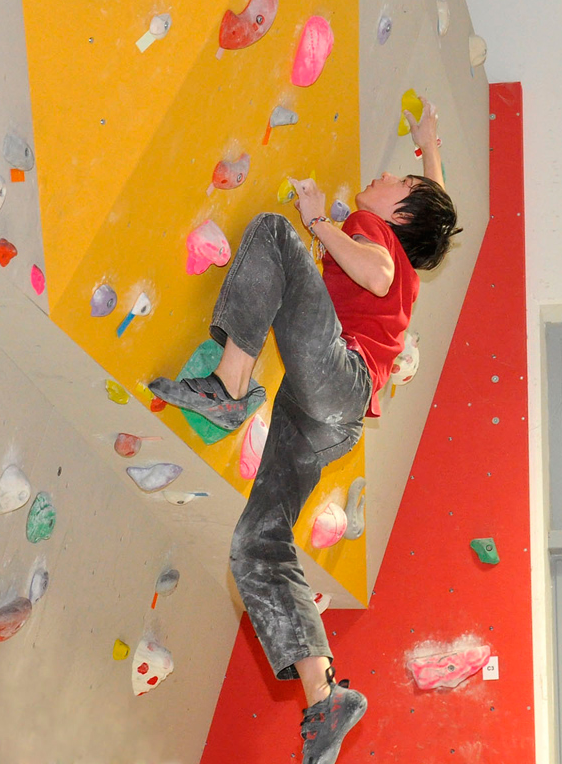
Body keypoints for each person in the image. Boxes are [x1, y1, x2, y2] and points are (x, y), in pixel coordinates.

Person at [149, 96, 460, 764]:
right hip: (332, 418)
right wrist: (428, 146)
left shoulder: (375, 239)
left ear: (396, 214)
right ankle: (325, 698)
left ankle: (232, 386)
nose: (382, 179)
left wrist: (319, 221)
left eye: (395, 183)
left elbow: (375, 271)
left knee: (273, 233)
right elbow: (430, 208)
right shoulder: (408, 249)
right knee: (255, 545)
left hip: (338, 381)